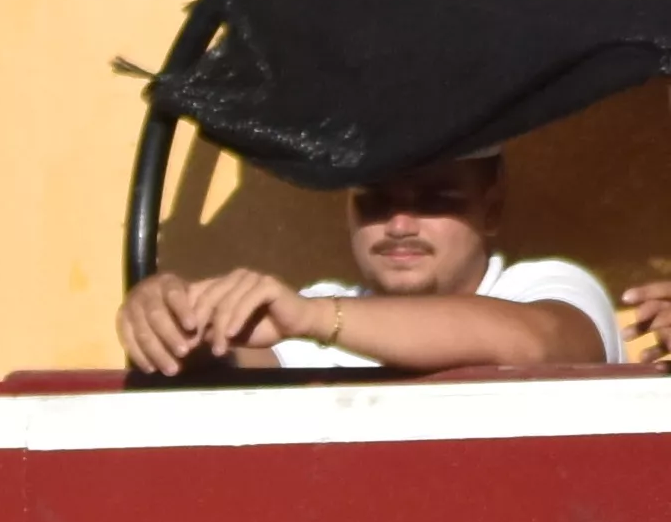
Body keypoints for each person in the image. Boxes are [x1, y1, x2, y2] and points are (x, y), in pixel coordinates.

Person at [118, 151, 616, 373]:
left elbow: (536, 343)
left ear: (492, 210)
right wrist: (170, 318)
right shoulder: (309, 313)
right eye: (374, 203)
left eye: (435, 200)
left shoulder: (546, 285)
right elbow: (225, 364)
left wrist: (314, 319)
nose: (399, 225)